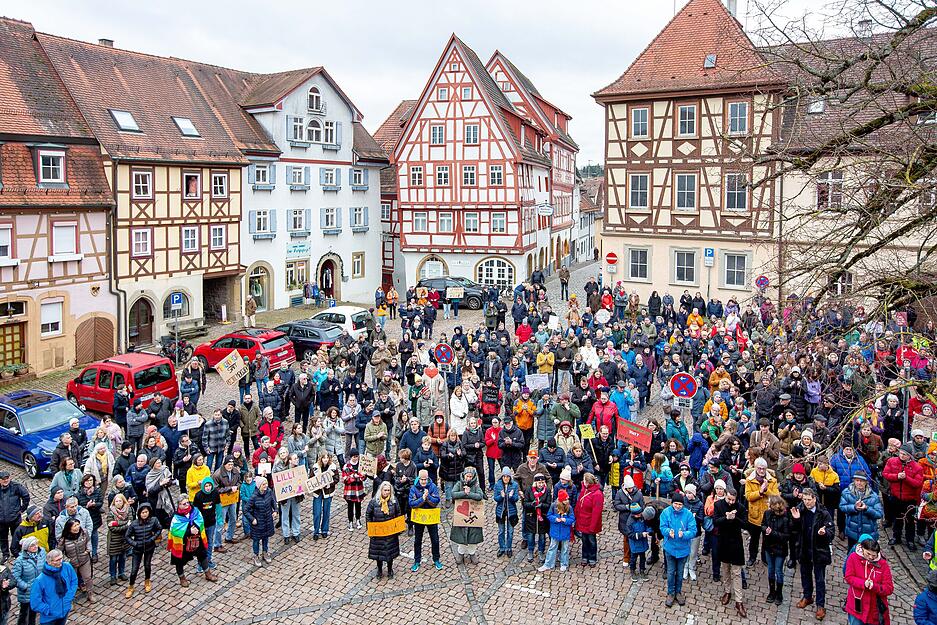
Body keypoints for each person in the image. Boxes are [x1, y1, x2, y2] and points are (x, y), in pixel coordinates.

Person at [793, 488, 834, 620]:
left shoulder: (823, 513)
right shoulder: (800, 510)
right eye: (804, 499)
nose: (806, 502)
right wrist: (796, 520)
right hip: (804, 549)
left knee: (819, 579)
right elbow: (794, 529)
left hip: (818, 551)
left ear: (814, 499)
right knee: (805, 575)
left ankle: (820, 605)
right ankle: (807, 596)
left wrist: (825, 533)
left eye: (809, 500)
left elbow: (831, 530)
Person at [167, 496, 218, 586]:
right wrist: (189, 531)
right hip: (182, 543)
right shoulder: (176, 518)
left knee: (202, 555)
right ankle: (182, 578)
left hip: (196, 538)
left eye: (188, 502)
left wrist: (196, 528)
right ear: (179, 505)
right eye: (184, 504)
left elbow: (200, 521)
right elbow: (175, 531)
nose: (187, 505)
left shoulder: (195, 511)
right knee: (179, 561)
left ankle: (208, 573)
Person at [659, 493, 697, 608]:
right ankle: (671, 593)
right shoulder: (666, 512)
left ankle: (678, 592)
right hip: (670, 548)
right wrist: (667, 532)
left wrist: (684, 534)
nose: (677, 506)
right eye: (675, 503)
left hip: (683, 549)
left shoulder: (688, 515)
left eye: (680, 504)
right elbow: (662, 527)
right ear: (672, 503)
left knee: (680, 573)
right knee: (671, 572)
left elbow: (693, 531)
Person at [844, 537, 893, 625]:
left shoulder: (883, 565)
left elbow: (889, 588)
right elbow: (849, 577)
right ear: (862, 549)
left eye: (874, 555)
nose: (870, 557)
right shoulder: (853, 557)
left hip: (874, 610)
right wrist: (863, 583)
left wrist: (874, 586)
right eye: (868, 554)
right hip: (856, 605)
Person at [714, 488, 747, 617]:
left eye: (733, 500)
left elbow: (745, 524)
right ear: (725, 496)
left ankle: (739, 601)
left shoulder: (741, 507)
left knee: (737, 573)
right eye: (729, 499)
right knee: (725, 569)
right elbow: (715, 521)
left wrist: (735, 518)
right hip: (723, 541)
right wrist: (726, 517)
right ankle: (727, 591)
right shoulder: (718, 505)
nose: (731, 502)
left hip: (736, 543)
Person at [29, 550, 77, 625]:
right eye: (57, 560)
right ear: (49, 562)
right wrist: (48, 610)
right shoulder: (40, 580)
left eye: (61, 558)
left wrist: (69, 596)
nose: (61, 561)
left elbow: (74, 581)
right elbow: (35, 602)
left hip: (64, 611)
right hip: (49, 618)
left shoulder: (67, 567)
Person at [366, 481, 402, 579]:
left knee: (390, 553)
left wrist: (397, 528)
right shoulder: (374, 502)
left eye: (388, 490)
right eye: (385, 490)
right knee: (379, 554)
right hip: (378, 533)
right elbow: (368, 514)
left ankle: (390, 570)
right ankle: (379, 570)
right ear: (381, 490)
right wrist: (370, 528)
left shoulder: (394, 501)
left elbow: (398, 513)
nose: (387, 492)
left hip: (390, 533)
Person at [123, 503, 160, 598]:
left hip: (149, 547)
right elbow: (127, 536)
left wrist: (152, 539)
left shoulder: (153, 520)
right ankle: (131, 587)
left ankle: (147, 581)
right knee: (134, 569)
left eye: (146, 512)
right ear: (139, 513)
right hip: (137, 549)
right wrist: (135, 544)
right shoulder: (134, 524)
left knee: (147, 565)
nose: (144, 514)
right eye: (142, 512)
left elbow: (159, 529)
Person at [408, 470, 443, 571]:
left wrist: (428, 497)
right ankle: (417, 560)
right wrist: (422, 499)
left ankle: (436, 559)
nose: (423, 481)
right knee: (417, 540)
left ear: (428, 479)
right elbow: (411, 503)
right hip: (419, 517)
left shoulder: (433, 486)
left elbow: (436, 501)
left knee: (435, 539)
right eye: (422, 479)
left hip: (431, 517)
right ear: (419, 479)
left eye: (425, 479)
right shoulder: (414, 488)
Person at [449, 467, 484, 564]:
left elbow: (480, 496)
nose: (468, 478)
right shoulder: (459, 484)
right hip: (461, 516)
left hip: (473, 516)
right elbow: (453, 494)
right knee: (461, 536)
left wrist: (470, 494)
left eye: (470, 476)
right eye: (467, 476)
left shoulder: (476, 486)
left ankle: (472, 553)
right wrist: (464, 493)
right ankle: (461, 553)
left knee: (473, 537)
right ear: (464, 475)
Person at [762, 495, 792, 606]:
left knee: (778, 571)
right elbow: (763, 524)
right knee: (770, 569)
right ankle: (771, 592)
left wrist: (772, 533)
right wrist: (765, 529)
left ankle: (779, 593)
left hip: (780, 549)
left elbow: (786, 536)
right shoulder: (767, 513)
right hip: (768, 546)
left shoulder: (785, 517)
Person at [539, 488, 575, 573]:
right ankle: (548, 564)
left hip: (565, 532)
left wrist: (565, 520)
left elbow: (572, 518)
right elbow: (549, 515)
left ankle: (564, 564)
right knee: (552, 548)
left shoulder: (569, 507)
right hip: (555, 531)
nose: (567, 500)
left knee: (565, 549)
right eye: (565, 499)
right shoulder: (553, 506)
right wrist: (555, 519)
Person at [11, 536, 44, 625]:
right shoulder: (20, 560)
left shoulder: (42, 553)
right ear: (26, 548)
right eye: (32, 545)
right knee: (24, 613)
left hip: (38, 590)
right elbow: (15, 577)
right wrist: (25, 586)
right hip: (26, 592)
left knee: (33, 611)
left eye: (36, 544)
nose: (36, 546)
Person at [58, 519, 92, 604]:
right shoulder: (64, 539)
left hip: (84, 559)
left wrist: (88, 550)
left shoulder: (84, 532)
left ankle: (90, 594)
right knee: (71, 582)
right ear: (69, 528)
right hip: (71, 564)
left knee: (87, 578)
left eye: (78, 524)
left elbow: (88, 540)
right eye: (75, 526)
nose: (77, 527)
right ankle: (70, 600)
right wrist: (67, 560)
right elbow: (59, 551)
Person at [575, 472, 604, 566]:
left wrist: (593, 526)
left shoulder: (597, 494)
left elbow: (596, 512)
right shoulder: (584, 490)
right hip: (583, 520)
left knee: (591, 541)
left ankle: (592, 557)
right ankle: (585, 556)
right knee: (584, 540)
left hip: (591, 522)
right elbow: (579, 504)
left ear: (587, 482)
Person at [522, 473, 551, 563]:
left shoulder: (547, 491)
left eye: (542, 482)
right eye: (539, 483)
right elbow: (525, 503)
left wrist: (541, 505)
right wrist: (532, 504)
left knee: (542, 536)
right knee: (531, 536)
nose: (541, 484)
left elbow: (548, 504)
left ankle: (541, 551)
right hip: (531, 517)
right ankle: (530, 551)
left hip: (542, 517)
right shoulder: (529, 490)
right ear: (535, 483)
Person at [0, 472, 29, 563]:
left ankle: (16, 552)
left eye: (7, 478)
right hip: (1, 520)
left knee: (16, 536)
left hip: (15, 518)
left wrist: (22, 509)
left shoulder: (16, 486)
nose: (6, 480)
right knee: (2, 538)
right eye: (3, 479)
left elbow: (26, 496)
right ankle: (5, 554)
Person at [105, 493, 131, 587]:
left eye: (120, 501)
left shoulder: (128, 510)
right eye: (116, 501)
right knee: (113, 559)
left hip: (124, 539)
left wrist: (116, 523)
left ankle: (121, 573)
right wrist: (125, 524)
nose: (118, 503)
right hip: (114, 540)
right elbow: (112, 528)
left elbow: (130, 523)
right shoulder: (111, 513)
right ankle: (113, 576)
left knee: (122, 557)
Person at [493, 467, 519, 557]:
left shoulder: (514, 485)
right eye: (504, 476)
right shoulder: (498, 485)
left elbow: (516, 499)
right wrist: (501, 496)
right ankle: (502, 548)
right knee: (501, 531)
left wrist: (511, 496)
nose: (506, 478)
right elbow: (495, 498)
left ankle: (509, 548)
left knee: (510, 532)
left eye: (507, 476)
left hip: (511, 512)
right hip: (501, 512)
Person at [342, 450, 366, 530]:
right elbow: (345, 479)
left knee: (358, 506)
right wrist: (354, 477)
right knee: (350, 507)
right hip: (350, 490)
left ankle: (358, 520)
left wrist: (360, 476)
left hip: (359, 489)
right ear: (351, 457)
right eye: (354, 457)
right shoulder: (346, 466)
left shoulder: (361, 465)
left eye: (357, 456)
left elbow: (363, 477)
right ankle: (350, 522)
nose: (356, 458)